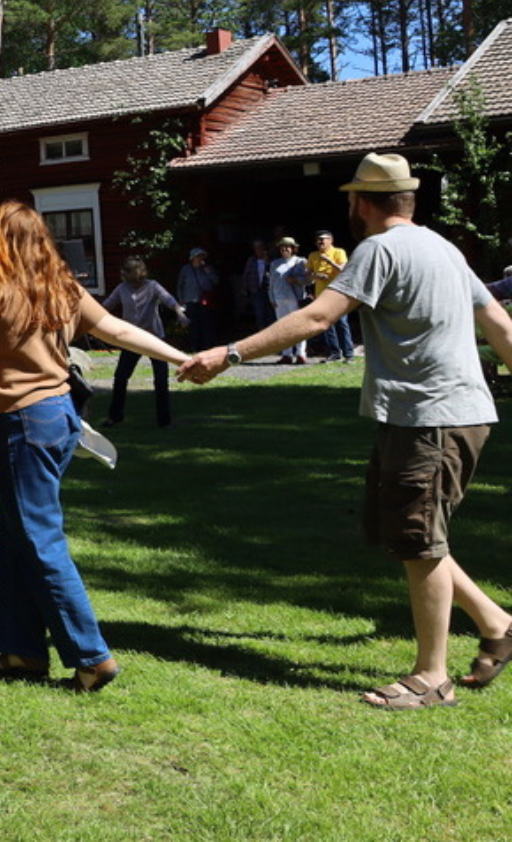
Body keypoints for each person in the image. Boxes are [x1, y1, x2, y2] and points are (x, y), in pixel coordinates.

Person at [182, 154, 512, 710]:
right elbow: (500, 323)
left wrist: (229, 352)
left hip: (430, 418)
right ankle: (498, 623)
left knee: (421, 541)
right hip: (441, 414)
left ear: (361, 202)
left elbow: (317, 318)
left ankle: (431, 677)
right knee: (410, 534)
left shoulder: (378, 250)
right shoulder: (444, 247)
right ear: (407, 199)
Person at [0, 201, 188, 694]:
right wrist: (178, 355)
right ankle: (23, 651)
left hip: (21, 424)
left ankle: (91, 657)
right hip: (60, 418)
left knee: (37, 537)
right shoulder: (59, 286)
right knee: (15, 531)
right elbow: (116, 330)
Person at [100, 257, 188, 428]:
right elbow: (106, 306)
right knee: (120, 378)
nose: (121, 274)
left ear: (133, 273)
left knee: (161, 379)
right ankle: (115, 417)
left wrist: (180, 313)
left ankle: (164, 421)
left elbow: (169, 300)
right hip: (132, 339)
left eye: (124, 271)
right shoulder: (121, 288)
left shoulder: (152, 286)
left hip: (154, 338)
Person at [308, 230, 355, 362]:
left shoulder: (339, 252)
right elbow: (308, 275)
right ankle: (334, 353)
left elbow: (344, 270)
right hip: (321, 295)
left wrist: (329, 261)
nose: (321, 242)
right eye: (318, 239)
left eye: (324, 239)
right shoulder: (313, 255)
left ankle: (349, 354)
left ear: (331, 240)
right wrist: (316, 276)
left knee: (342, 323)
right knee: (326, 325)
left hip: (337, 294)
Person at [268, 238, 311, 364]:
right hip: (279, 299)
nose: (285, 249)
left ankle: (301, 354)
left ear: (293, 248)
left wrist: (296, 280)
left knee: (299, 326)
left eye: (288, 247)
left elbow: (310, 280)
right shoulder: (275, 263)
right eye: (282, 247)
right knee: (283, 327)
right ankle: (286, 354)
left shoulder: (301, 261)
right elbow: (271, 283)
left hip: (295, 298)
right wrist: (272, 298)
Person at [175, 247, 220, 351]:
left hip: (204, 300)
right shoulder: (185, 269)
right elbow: (180, 285)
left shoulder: (207, 269)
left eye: (202, 256)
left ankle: (208, 345)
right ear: (193, 258)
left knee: (206, 323)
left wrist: (209, 273)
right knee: (193, 325)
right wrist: (181, 299)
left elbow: (216, 282)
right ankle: (193, 346)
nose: (200, 259)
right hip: (190, 300)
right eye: (198, 256)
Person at [241, 240, 274, 334]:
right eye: (256, 248)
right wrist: (244, 288)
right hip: (256, 290)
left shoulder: (271, 260)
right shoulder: (252, 260)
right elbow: (246, 274)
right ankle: (262, 335)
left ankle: (271, 335)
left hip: (269, 290)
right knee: (260, 314)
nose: (258, 249)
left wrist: (267, 261)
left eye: (260, 247)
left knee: (271, 314)